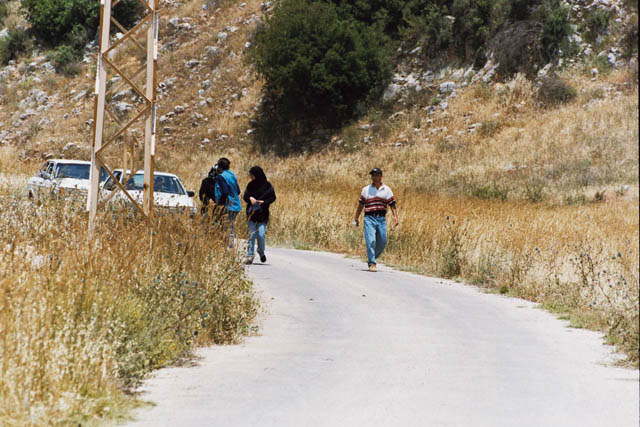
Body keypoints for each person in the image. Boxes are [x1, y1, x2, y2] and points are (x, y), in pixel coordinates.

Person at [352, 168, 398, 272]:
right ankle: (372, 262)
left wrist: (396, 217)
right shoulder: (366, 190)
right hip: (369, 218)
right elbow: (360, 205)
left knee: (382, 241)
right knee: (371, 240)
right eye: (373, 175)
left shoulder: (387, 190)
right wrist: (356, 218)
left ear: (381, 176)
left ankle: (371, 256)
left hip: (381, 219)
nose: (375, 177)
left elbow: (392, 204)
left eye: (377, 175)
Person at [242, 166, 276, 264]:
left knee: (261, 235)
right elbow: (245, 196)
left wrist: (264, 202)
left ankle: (261, 251)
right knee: (251, 235)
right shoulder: (250, 185)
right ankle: (250, 255)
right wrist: (250, 199)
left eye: (252, 175)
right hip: (251, 214)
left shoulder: (267, 185)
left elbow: (273, 197)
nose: (251, 177)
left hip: (262, 214)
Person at [214, 157, 242, 247]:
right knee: (231, 227)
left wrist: (219, 205)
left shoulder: (221, 177)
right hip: (236, 205)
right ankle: (228, 247)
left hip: (227, 205)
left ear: (219, 166)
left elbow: (225, 192)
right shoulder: (232, 175)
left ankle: (227, 248)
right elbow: (238, 191)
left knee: (225, 228)